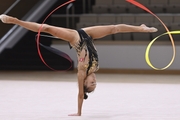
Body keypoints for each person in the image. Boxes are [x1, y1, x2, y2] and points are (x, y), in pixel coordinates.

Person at [0, 14, 158, 116]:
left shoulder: (81, 72)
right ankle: (142, 28)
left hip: (76, 38)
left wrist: (79, 112)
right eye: (96, 83)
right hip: (88, 35)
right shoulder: (95, 68)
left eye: (91, 83)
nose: (94, 80)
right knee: (114, 28)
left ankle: (15, 20)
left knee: (47, 29)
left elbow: (81, 94)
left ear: (84, 82)